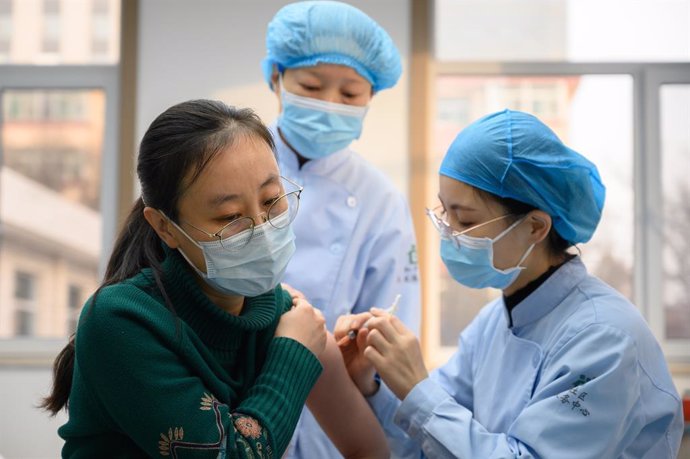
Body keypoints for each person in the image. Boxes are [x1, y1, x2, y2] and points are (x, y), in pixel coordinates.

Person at [40, 100, 389, 458]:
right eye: (229, 217)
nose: (262, 228)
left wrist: (360, 376)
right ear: (165, 227)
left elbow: (372, 451)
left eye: (272, 199)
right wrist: (294, 353)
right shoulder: (122, 320)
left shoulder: (284, 314)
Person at [336, 109, 684, 458]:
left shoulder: (605, 337)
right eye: (445, 212)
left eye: (466, 219)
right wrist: (371, 383)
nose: (449, 233)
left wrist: (417, 387)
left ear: (535, 227)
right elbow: (425, 444)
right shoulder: (492, 325)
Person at [261, 1, 421, 457]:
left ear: (372, 97)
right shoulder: (228, 161)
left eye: (350, 94)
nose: (329, 105)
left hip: (330, 417)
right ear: (276, 78)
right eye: (310, 86)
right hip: (227, 394)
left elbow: (394, 326)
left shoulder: (379, 198)